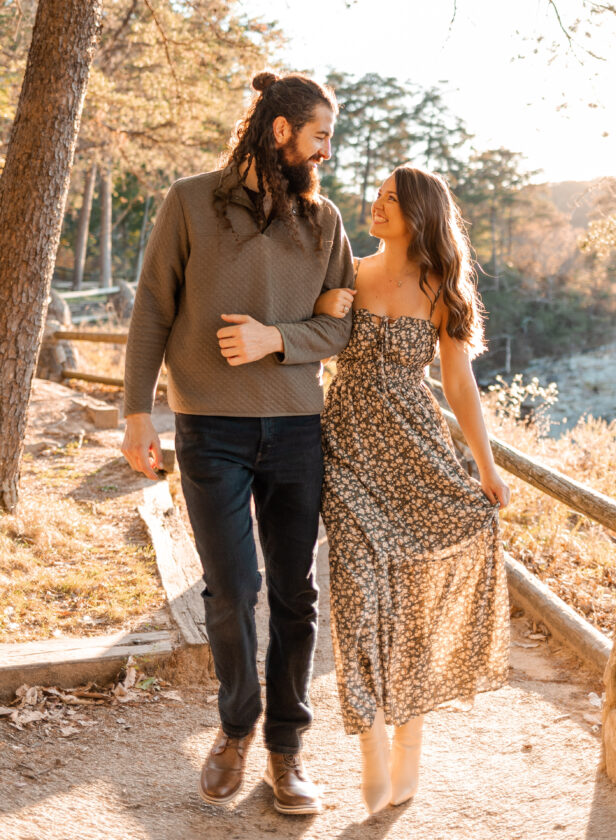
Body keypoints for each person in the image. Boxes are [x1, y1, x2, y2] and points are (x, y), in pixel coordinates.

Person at [121, 71, 353, 816]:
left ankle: (287, 751)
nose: (326, 149)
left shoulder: (323, 223)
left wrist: (273, 339)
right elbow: (153, 305)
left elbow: (340, 326)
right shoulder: (189, 200)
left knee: (294, 592)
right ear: (280, 130)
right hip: (209, 428)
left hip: (295, 430)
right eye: (319, 134)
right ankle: (235, 728)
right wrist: (134, 414)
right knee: (232, 591)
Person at [313, 164, 510, 815]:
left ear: (418, 213)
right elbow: (313, 341)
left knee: (411, 611)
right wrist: (321, 311)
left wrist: (485, 467)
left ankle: (408, 744)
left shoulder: (439, 288)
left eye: (390, 200)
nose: (376, 206)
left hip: (416, 459)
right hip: (346, 458)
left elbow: (457, 385)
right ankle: (369, 744)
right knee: (355, 602)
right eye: (375, 196)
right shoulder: (347, 268)